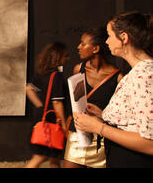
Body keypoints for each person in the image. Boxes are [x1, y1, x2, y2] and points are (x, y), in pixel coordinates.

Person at [74, 11, 153, 167]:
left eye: (109, 36)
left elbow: (149, 142)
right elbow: (134, 123)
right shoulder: (138, 72)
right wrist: (103, 116)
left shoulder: (144, 75)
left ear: (124, 38)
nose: (107, 42)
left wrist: (99, 127)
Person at [63, 27, 123, 168]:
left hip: (101, 137)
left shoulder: (118, 77)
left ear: (95, 49)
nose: (78, 47)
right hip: (78, 133)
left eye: (83, 44)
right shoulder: (79, 69)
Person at [25, 42, 68, 168]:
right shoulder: (57, 76)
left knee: (55, 157)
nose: (67, 58)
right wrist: (64, 125)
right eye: (65, 55)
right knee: (40, 157)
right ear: (57, 57)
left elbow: (28, 89)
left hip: (42, 118)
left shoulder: (42, 73)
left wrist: (40, 106)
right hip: (53, 121)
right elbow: (57, 102)